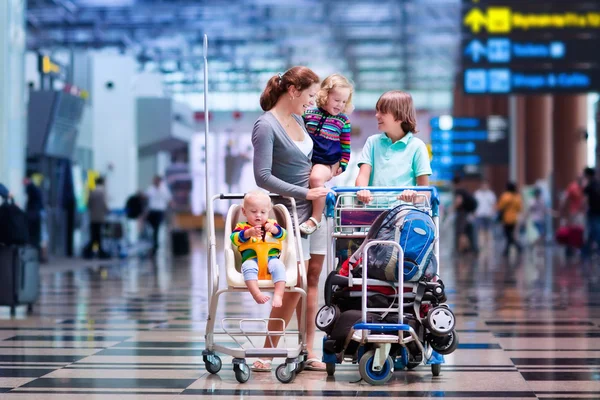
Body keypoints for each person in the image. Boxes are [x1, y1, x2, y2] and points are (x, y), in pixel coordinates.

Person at [252, 66, 329, 372]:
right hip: (290, 213)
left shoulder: (299, 119)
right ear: (293, 91)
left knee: (312, 283)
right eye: (309, 95)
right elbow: (262, 176)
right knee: (293, 282)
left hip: (316, 212)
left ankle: (308, 351)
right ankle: (268, 350)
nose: (312, 102)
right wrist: (304, 193)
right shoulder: (265, 126)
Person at [355, 90, 432, 204]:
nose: (377, 115)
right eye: (377, 111)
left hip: (404, 212)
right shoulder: (372, 142)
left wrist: (414, 197)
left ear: (400, 115)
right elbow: (362, 176)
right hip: (373, 211)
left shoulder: (417, 146)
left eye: (383, 112)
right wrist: (362, 190)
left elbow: (425, 192)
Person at [299, 73, 354, 234]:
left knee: (316, 178)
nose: (340, 105)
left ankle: (315, 218)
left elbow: (345, 145)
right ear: (324, 95)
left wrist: (343, 164)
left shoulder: (343, 120)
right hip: (308, 158)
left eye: (344, 102)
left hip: (327, 160)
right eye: (336, 100)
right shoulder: (308, 113)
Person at [231, 191, 287, 307]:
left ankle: (278, 295)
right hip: (251, 259)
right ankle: (256, 294)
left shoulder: (272, 224)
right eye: (253, 211)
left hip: (271, 259)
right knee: (248, 268)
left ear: (268, 212)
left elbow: (284, 235)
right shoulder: (242, 227)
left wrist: (275, 230)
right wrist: (247, 233)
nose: (258, 215)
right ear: (244, 211)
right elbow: (234, 239)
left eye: (263, 212)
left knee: (279, 266)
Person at [145, 175, 173, 255]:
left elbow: (169, 200)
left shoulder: (164, 189)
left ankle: (155, 245)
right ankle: (153, 243)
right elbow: (147, 198)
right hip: (152, 211)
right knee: (152, 228)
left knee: (156, 228)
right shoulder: (150, 189)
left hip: (160, 212)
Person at [83, 177, 110, 259]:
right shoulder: (103, 191)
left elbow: (88, 204)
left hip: (93, 217)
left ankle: (90, 251)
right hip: (100, 217)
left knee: (94, 235)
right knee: (98, 236)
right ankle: (96, 252)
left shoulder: (92, 191)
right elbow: (104, 204)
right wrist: (107, 210)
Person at [450, 176, 478, 254]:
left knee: (461, 232)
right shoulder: (464, 190)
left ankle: (462, 249)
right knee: (465, 231)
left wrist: (452, 208)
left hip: (462, 213)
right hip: (467, 213)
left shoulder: (458, 190)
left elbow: (459, 201)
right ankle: (467, 248)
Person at [497, 182, 523, 256]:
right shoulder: (517, 197)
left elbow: (500, 207)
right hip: (514, 218)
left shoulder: (505, 196)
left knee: (508, 234)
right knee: (510, 234)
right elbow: (519, 208)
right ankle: (510, 249)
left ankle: (515, 247)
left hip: (506, 218)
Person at [582, 167, 600, 260]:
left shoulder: (589, 186)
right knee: (592, 232)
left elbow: (585, 200)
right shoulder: (597, 183)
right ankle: (585, 252)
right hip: (597, 212)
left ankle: (586, 252)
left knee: (595, 231)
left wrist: (584, 210)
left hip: (593, 212)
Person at [474, 180, 497, 250]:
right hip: (480, 215)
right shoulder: (477, 194)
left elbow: (494, 204)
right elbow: (474, 204)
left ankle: (489, 246)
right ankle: (481, 246)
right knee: (481, 231)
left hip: (488, 215)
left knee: (488, 231)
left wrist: (492, 212)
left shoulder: (491, 194)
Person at [23, 176, 44, 253]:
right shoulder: (35, 189)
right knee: (37, 236)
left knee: (33, 235)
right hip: (36, 214)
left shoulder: (31, 188)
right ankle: (36, 252)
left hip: (33, 214)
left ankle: (34, 252)